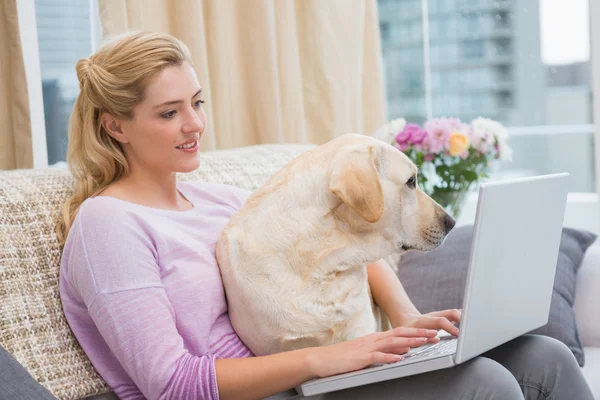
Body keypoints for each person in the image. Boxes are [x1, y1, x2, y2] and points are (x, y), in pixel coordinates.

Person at [57, 31, 593, 400]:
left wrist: (403, 316)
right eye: (169, 113)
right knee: (487, 385)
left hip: (312, 381)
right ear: (115, 127)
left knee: (544, 356)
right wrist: (331, 359)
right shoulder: (108, 226)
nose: (194, 124)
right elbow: (170, 383)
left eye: (197, 102)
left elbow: (342, 236)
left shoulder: (219, 201)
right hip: (277, 389)